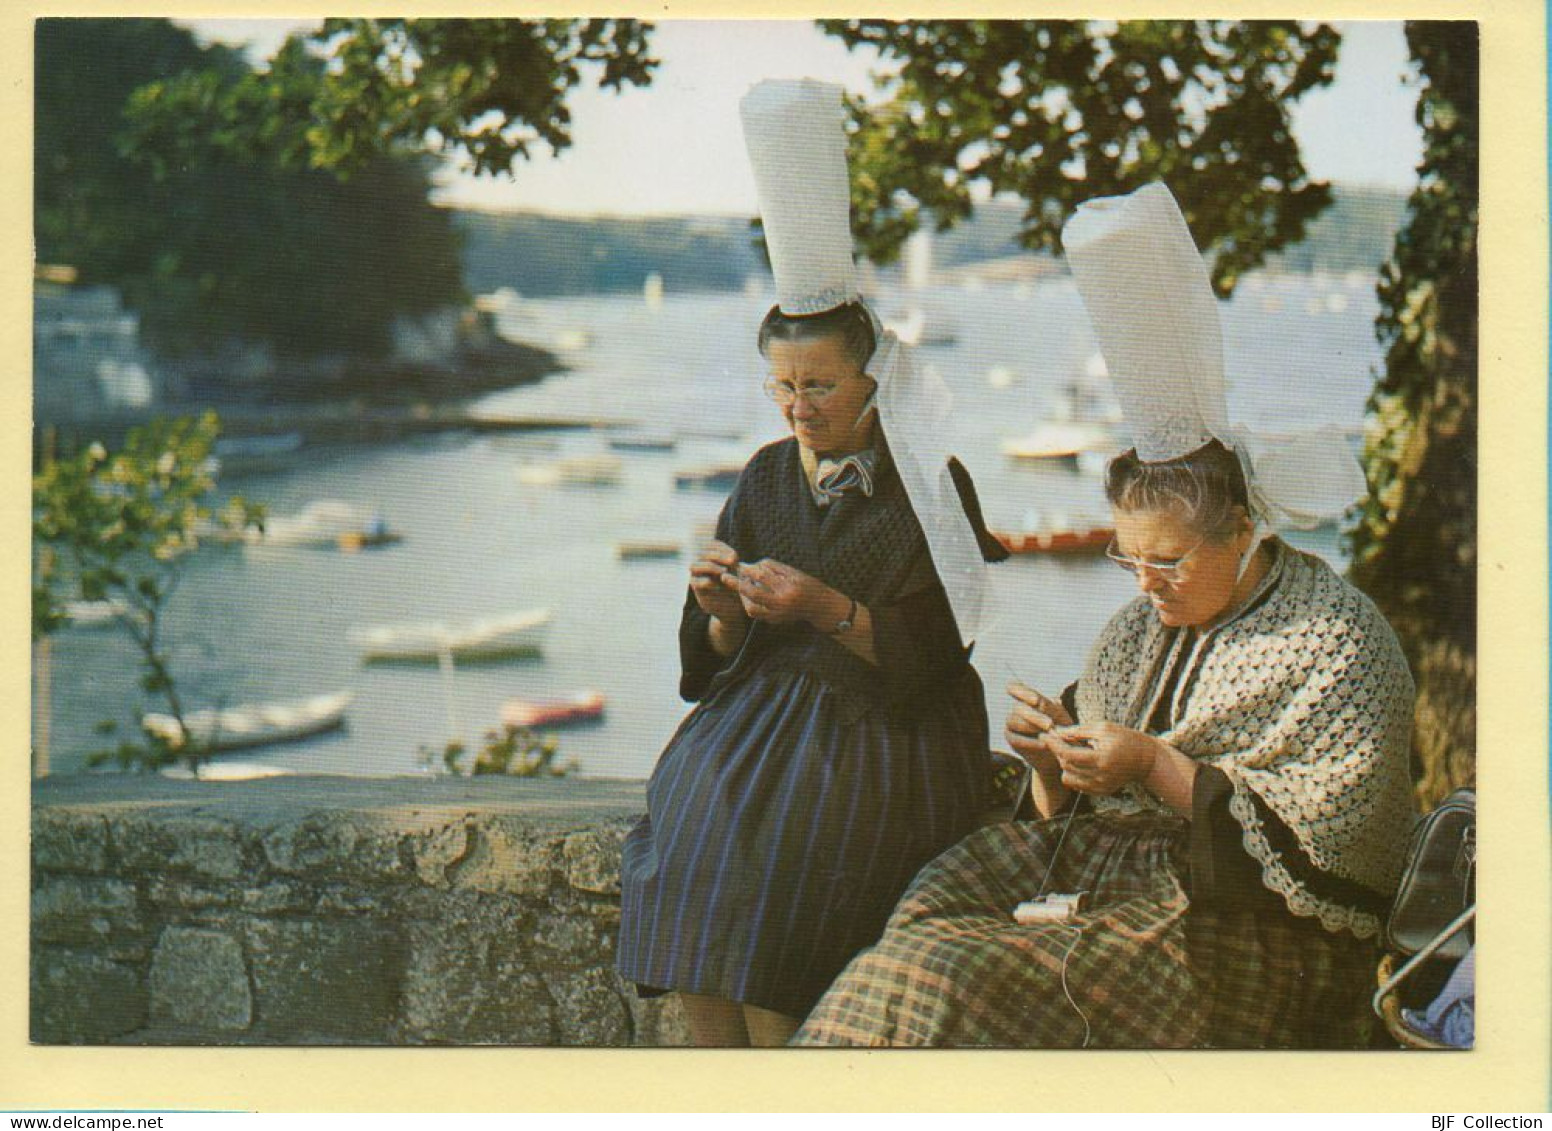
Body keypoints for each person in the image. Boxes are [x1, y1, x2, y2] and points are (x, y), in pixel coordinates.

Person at [792, 183, 1418, 1049]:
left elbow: (1332, 857)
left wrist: (1157, 765)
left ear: (1243, 528)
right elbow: (1064, 808)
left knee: (943, 981)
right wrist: (1052, 757)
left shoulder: (1333, 639)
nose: (1146, 586)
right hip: (1112, 874)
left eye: (1169, 561)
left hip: (1252, 928)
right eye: (1131, 559)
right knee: (924, 916)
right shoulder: (1136, 633)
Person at [615, 79, 1008, 1047]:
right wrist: (723, 608)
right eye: (783, 386)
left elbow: (935, 654)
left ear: (875, 381)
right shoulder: (761, 475)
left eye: (820, 385)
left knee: (791, 861)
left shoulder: (929, 484)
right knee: (693, 828)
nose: (798, 407)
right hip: (762, 720)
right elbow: (706, 662)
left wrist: (826, 603)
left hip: (885, 727)